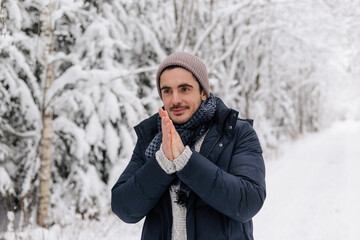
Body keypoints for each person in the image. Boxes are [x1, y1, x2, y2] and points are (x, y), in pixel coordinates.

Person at [111, 52, 266, 240]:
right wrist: (163, 162)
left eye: (184, 89)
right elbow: (124, 208)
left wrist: (185, 161)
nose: (175, 100)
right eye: (167, 91)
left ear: (203, 92)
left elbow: (248, 202)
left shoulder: (236, 133)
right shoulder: (151, 138)